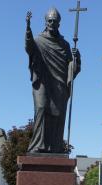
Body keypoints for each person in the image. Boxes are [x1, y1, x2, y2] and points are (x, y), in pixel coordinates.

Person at [25, 8, 81, 154]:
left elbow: (71, 66)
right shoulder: (38, 40)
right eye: (49, 20)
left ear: (59, 24)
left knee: (58, 113)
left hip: (58, 82)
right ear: (45, 22)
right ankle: (38, 145)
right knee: (41, 108)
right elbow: (29, 47)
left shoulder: (65, 45)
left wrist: (76, 58)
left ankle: (55, 147)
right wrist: (28, 28)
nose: (52, 23)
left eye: (55, 21)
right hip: (42, 80)